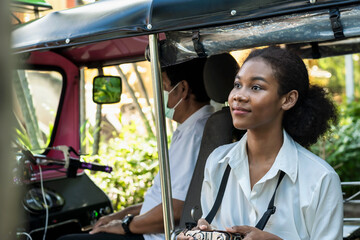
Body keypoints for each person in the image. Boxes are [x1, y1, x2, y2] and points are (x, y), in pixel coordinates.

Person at [179, 47, 343, 240]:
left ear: (288, 99)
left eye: (256, 87)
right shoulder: (217, 162)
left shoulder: (320, 178)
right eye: (237, 85)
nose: (238, 96)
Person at [58, 58, 214, 240]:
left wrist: (125, 225)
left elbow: (177, 208)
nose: (161, 93)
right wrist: (120, 215)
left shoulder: (196, 134)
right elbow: (164, 199)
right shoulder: (194, 128)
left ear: (182, 89)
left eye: (164, 86)